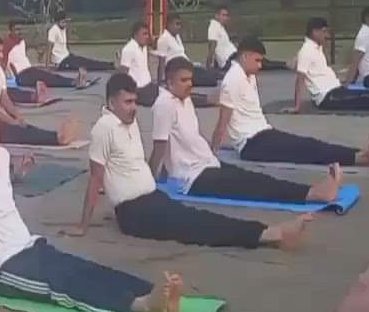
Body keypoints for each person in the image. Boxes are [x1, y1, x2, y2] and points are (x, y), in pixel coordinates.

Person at [0, 104, 184, 312]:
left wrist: (19, 173)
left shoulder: (1, 156)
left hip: (29, 245)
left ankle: (151, 291)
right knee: (64, 284)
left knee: (83, 267)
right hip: (1, 266)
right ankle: (140, 305)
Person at [70, 74, 311, 249]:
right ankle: (268, 234)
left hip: (151, 198)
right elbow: (96, 179)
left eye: (134, 101)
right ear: (112, 103)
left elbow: (129, 166)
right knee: (195, 225)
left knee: (197, 216)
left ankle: (265, 232)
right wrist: (84, 224)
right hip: (135, 212)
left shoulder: (127, 122)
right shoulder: (103, 128)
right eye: (127, 103)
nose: (133, 108)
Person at [152, 58, 346, 204]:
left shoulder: (183, 100)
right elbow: (159, 146)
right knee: (252, 186)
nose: (190, 84)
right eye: (183, 80)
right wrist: (151, 181)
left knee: (254, 177)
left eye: (190, 79)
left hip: (206, 163)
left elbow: (172, 142)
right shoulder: (164, 105)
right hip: (192, 178)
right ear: (169, 83)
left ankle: (312, 190)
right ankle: (315, 194)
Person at [212, 38, 369, 167]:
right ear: (245, 56)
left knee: (308, 144)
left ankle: (359, 154)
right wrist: (211, 155)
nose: (260, 66)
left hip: (263, 134)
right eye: (257, 61)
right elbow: (222, 123)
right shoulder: (233, 79)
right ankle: (360, 158)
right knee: (305, 150)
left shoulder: (247, 76)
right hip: (252, 145)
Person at [0, 35, 80, 147]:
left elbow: (4, 98)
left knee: (24, 127)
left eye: (2, 52)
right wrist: (11, 121)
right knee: (15, 131)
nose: (1, 56)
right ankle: (57, 138)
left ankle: (56, 136)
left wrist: (18, 116)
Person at [5, 21, 91, 89]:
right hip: (21, 76)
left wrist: (40, 54)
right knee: (46, 78)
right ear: (10, 30)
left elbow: (27, 51)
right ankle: (74, 82)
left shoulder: (21, 41)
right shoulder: (7, 44)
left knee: (49, 75)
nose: (19, 32)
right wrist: (12, 78)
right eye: (16, 30)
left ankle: (75, 81)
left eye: (20, 29)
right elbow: (4, 63)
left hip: (29, 69)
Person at [155, 13, 219, 87]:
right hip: (179, 71)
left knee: (212, 74)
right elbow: (161, 62)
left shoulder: (177, 36)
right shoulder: (163, 39)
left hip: (189, 66)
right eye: (177, 24)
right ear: (169, 25)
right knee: (211, 81)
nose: (179, 27)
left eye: (180, 24)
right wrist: (160, 84)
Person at [48, 14, 114, 71]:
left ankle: (108, 64)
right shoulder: (53, 30)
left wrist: (69, 53)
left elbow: (65, 45)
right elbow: (49, 49)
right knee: (84, 66)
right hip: (61, 61)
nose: (65, 24)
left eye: (66, 22)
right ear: (57, 22)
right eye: (63, 22)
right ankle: (107, 66)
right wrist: (47, 66)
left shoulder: (64, 28)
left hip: (67, 57)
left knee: (86, 61)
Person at [119, 21, 159, 106]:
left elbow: (154, 46)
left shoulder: (144, 46)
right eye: (144, 34)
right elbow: (123, 73)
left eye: (148, 34)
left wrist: (151, 38)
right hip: (138, 90)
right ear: (135, 35)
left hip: (149, 85)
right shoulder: (128, 49)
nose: (147, 37)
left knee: (170, 94)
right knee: (165, 99)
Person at [206, 6, 237, 70]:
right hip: (229, 60)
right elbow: (212, 48)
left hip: (233, 57)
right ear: (217, 16)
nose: (225, 18)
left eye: (226, 16)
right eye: (223, 15)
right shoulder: (214, 26)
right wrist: (208, 67)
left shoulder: (220, 27)